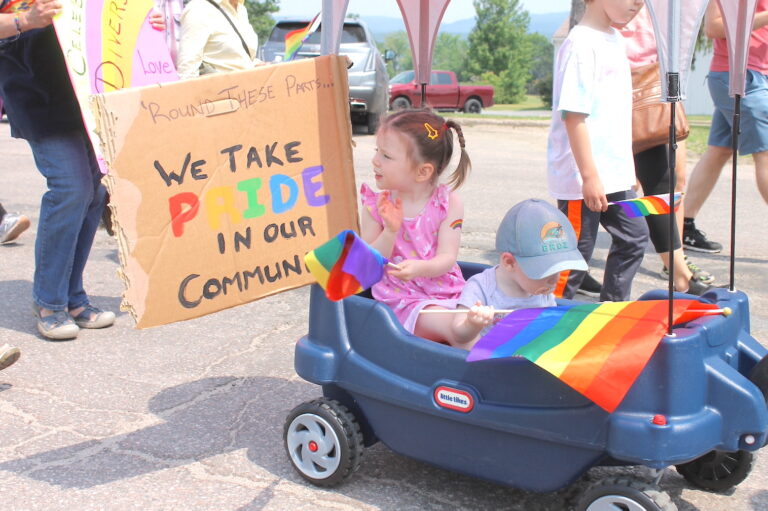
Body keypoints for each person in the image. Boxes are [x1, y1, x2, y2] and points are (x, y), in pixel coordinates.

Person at [0, 0, 115, 340]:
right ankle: (49, 302)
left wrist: (147, 28)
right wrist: (25, 20)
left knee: (94, 192)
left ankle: (74, 297)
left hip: (88, 92)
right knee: (71, 188)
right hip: (38, 94)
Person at [547, 0, 649, 302]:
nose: (638, 3)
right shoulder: (580, 45)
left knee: (634, 237)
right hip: (583, 177)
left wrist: (628, 171)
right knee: (575, 256)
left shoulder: (615, 39)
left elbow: (614, 118)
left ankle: (610, 313)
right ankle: (546, 318)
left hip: (614, 175)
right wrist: (589, 177)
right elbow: (574, 117)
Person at [618, 7, 712, 295]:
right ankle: (572, 271)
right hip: (621, 79)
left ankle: (678, 270)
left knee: (666, 185)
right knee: (618, 192)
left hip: (656, 78)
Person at [360, 108, 471, 346]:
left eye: (386, 156)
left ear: (423, 171)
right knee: (457, 327)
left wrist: (422, 268)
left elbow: (447, 257)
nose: (375, 161)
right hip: (403, 300)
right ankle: (477, 375)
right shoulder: (376, 205)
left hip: (448, 292)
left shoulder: (448, 203)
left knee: (481, 314)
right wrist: (390, 232)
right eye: (376, 151)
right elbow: (365, 266)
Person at [683, 0, 768, 253]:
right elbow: (714, 28)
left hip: (751, 76)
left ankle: (684, 225)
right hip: (741, 77)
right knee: (765, 155)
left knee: (719, 150)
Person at [451, 199, 588, 350]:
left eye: (558, 270)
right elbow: (458, 335)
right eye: (544, 271)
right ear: (509, 262)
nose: (555, 280)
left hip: (528, 357)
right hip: (491, 362)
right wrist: (472, 324)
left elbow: (550, 328)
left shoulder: (542, 289)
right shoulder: (481, 287)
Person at [175, 0, 262, 80]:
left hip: (248, 89)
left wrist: (256, 64)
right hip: (221, 94)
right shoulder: (198, 9)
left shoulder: (241, 9)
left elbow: (236, 56)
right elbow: (187, 71)